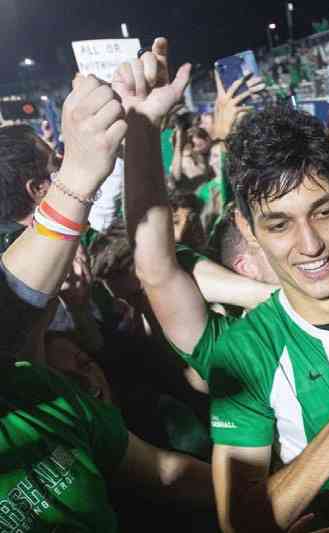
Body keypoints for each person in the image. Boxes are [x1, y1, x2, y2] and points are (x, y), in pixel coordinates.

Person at [119, 39, 329, 531]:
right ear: (247, 228)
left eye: (322, 212)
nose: (310, 244)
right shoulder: (248, 350)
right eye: (279, 225)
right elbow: (240, 522)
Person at [0, 65, 214, 533]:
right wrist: (76, 175)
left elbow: (169, 473)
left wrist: (274, 496)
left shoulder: (50, 399)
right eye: (51, 168)